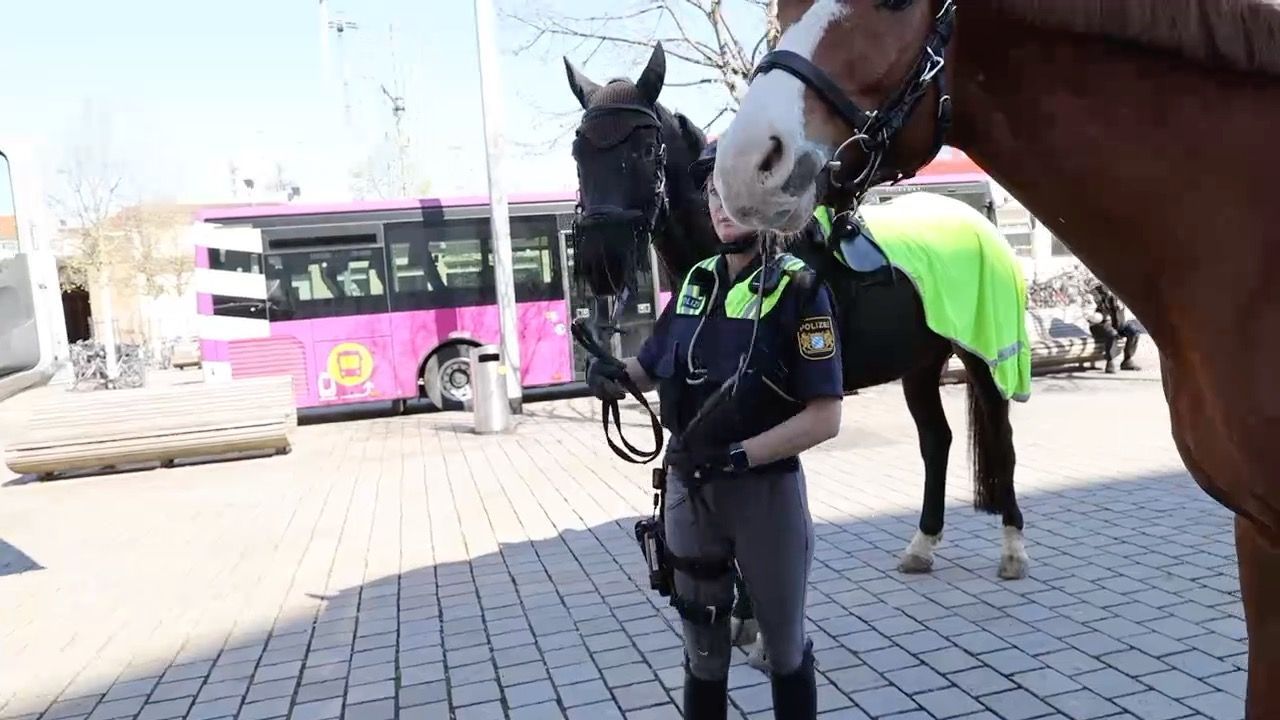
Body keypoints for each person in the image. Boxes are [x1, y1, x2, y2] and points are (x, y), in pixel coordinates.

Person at [586, 140, 844, 719]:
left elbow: (825, 417)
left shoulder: (801, 289)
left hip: (764, 493)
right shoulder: (697, 281)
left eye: (736, 189)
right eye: (712, 189)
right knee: (703, 652)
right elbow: (652, 366)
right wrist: (612, 373)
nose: (723, 203)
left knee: (782, 650)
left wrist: (740, 456)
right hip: (687, 494)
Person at [1085, 281, 1142, 372]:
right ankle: (1110, 362)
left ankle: (1127, 360)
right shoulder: (1095, 294)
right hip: (1099, 325)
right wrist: (1098, 316)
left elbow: (1123, 312)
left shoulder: (1119, 293)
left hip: (1118, 324)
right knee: (1112, 334)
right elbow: (1090, 314)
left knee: (1134, 332)